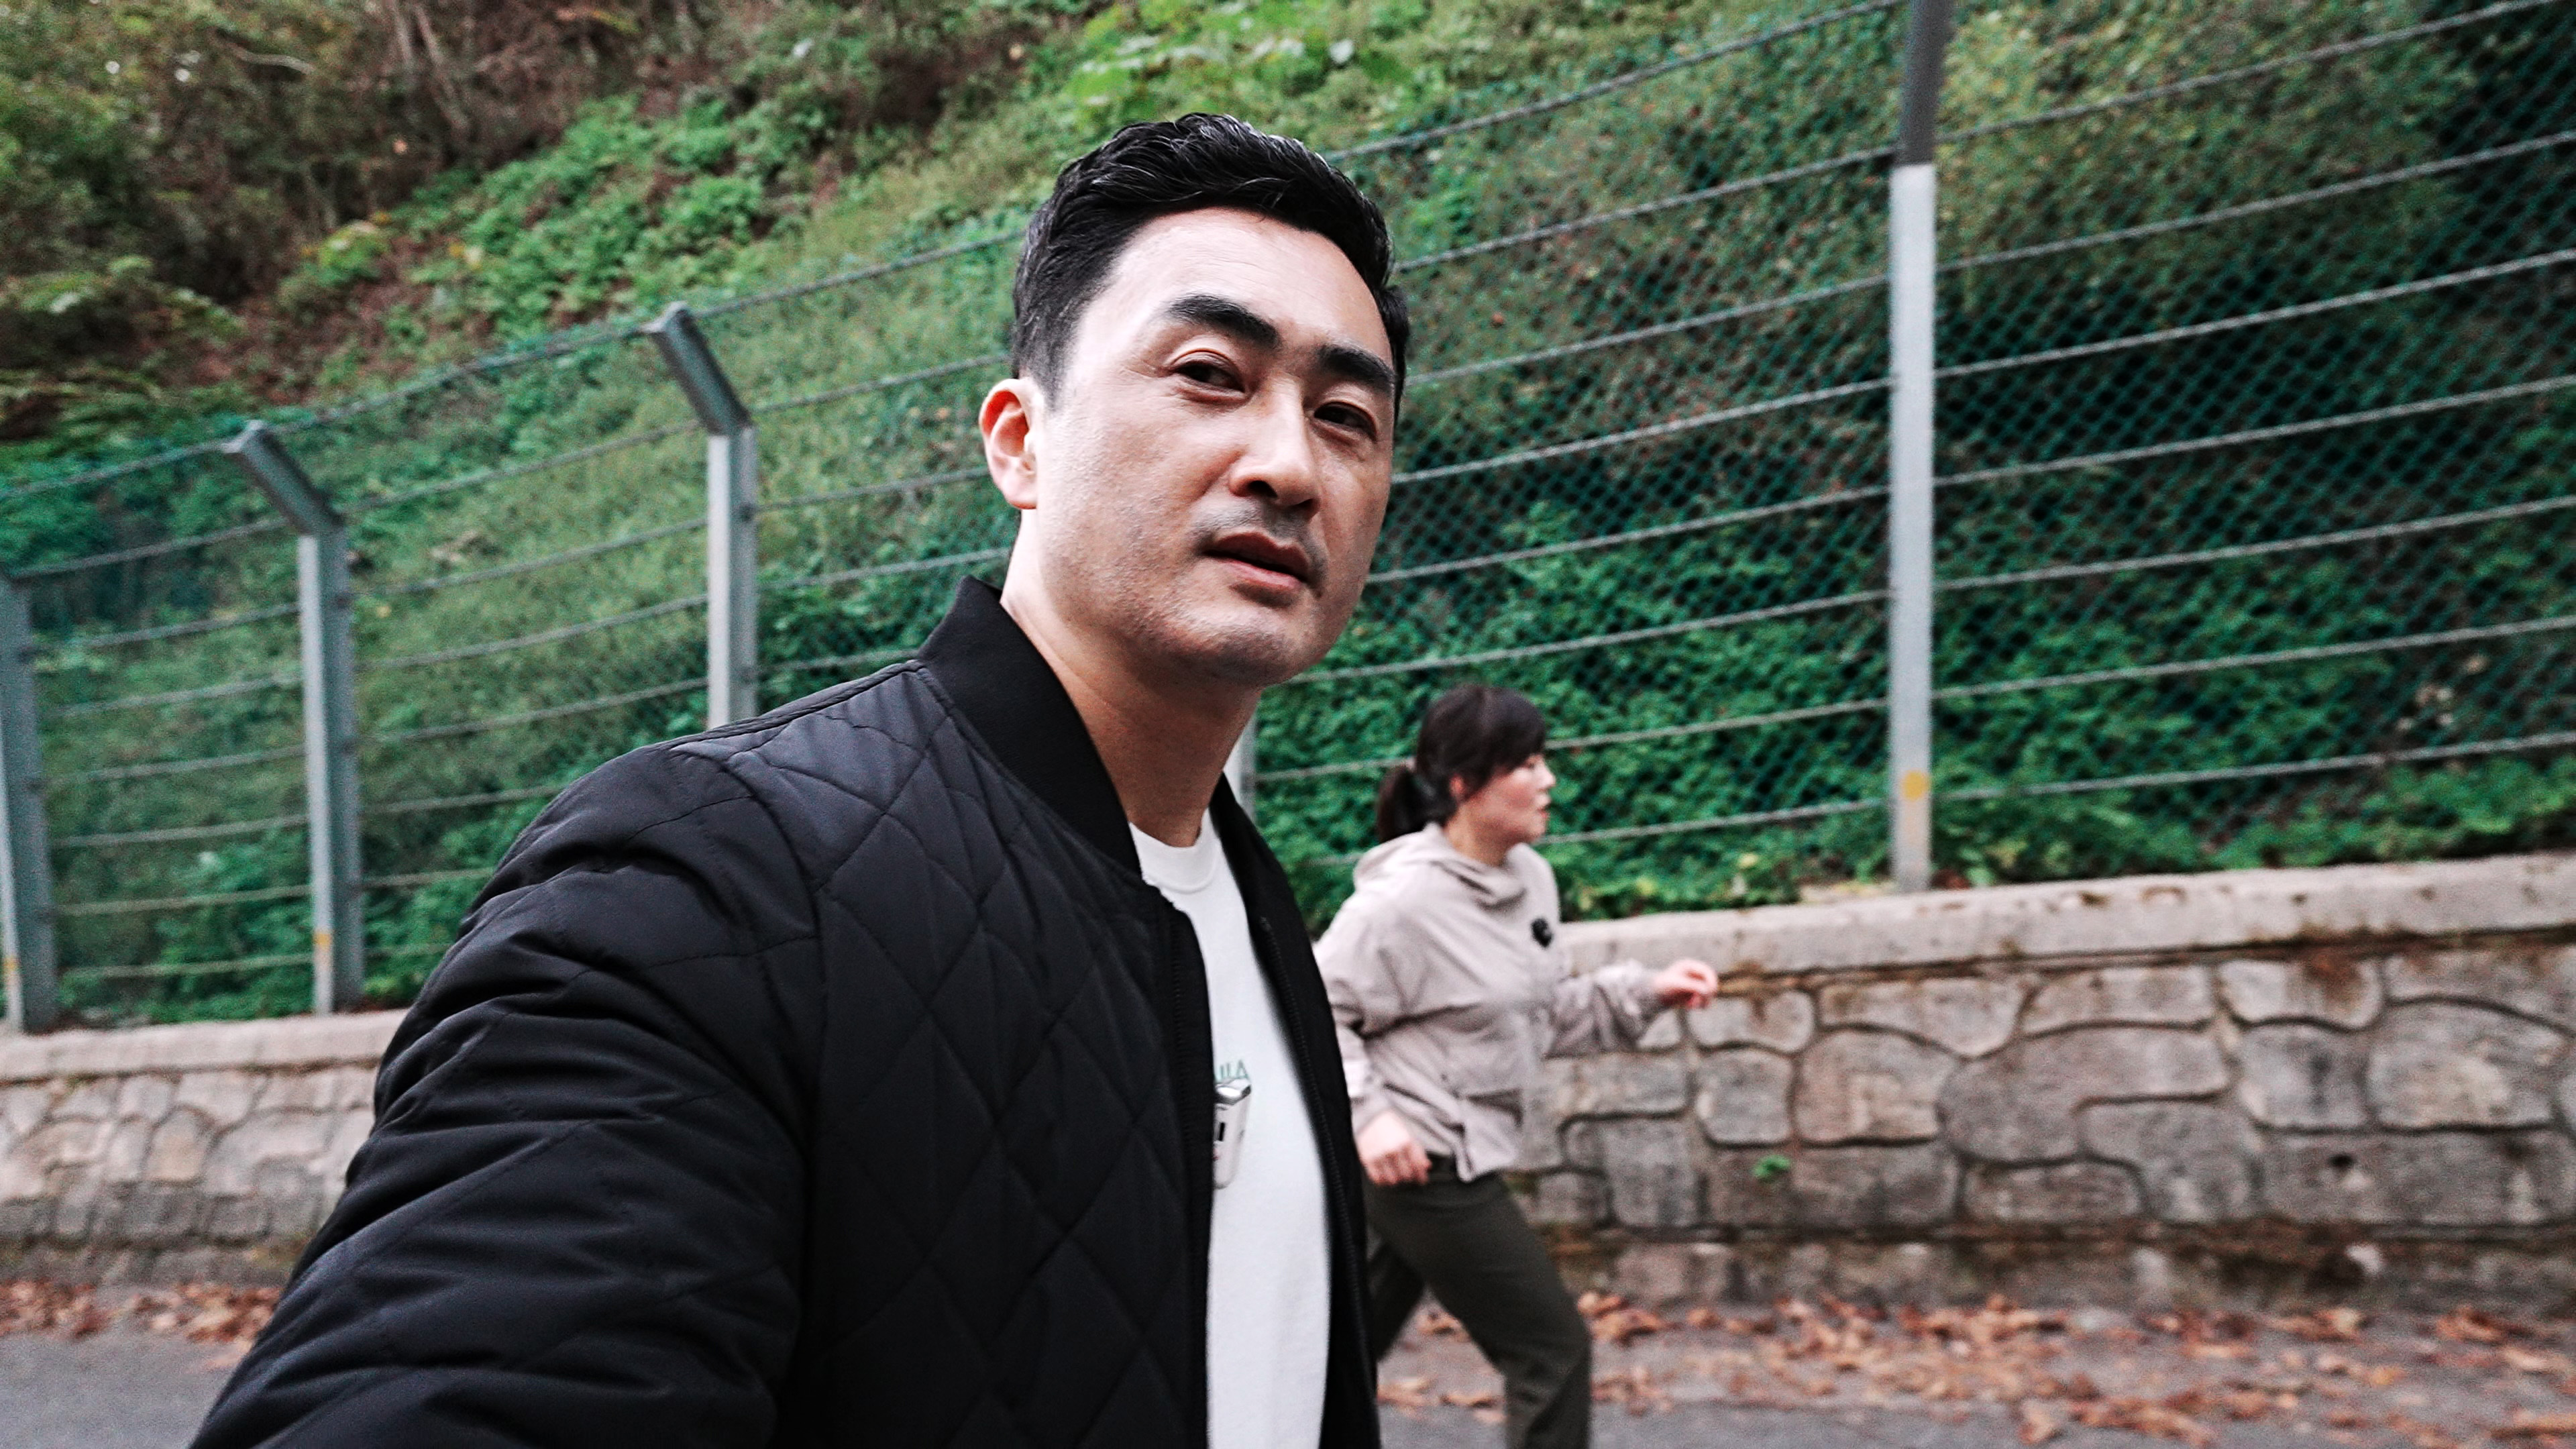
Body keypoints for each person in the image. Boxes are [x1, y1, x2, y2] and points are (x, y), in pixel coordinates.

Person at [193, 113, 1407, 1448]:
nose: (1289, 464)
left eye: (1346, 417)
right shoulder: (705, 882)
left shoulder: (1256, 916)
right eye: (1209, 374)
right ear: (1020, 441)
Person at [1315, 684, 1718, 1449]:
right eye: (1526, 765)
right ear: (1465, 784)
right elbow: (1313, 1009)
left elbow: (1538, 1013)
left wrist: (1648, 991)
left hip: (1449, 1149)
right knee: (1552, 1351)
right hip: (1422, 1162)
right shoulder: (1399, 907)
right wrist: (1371, 1118)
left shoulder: (1530, 877)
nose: (1548, 780)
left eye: (1543, 761)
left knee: (1332, 1359)